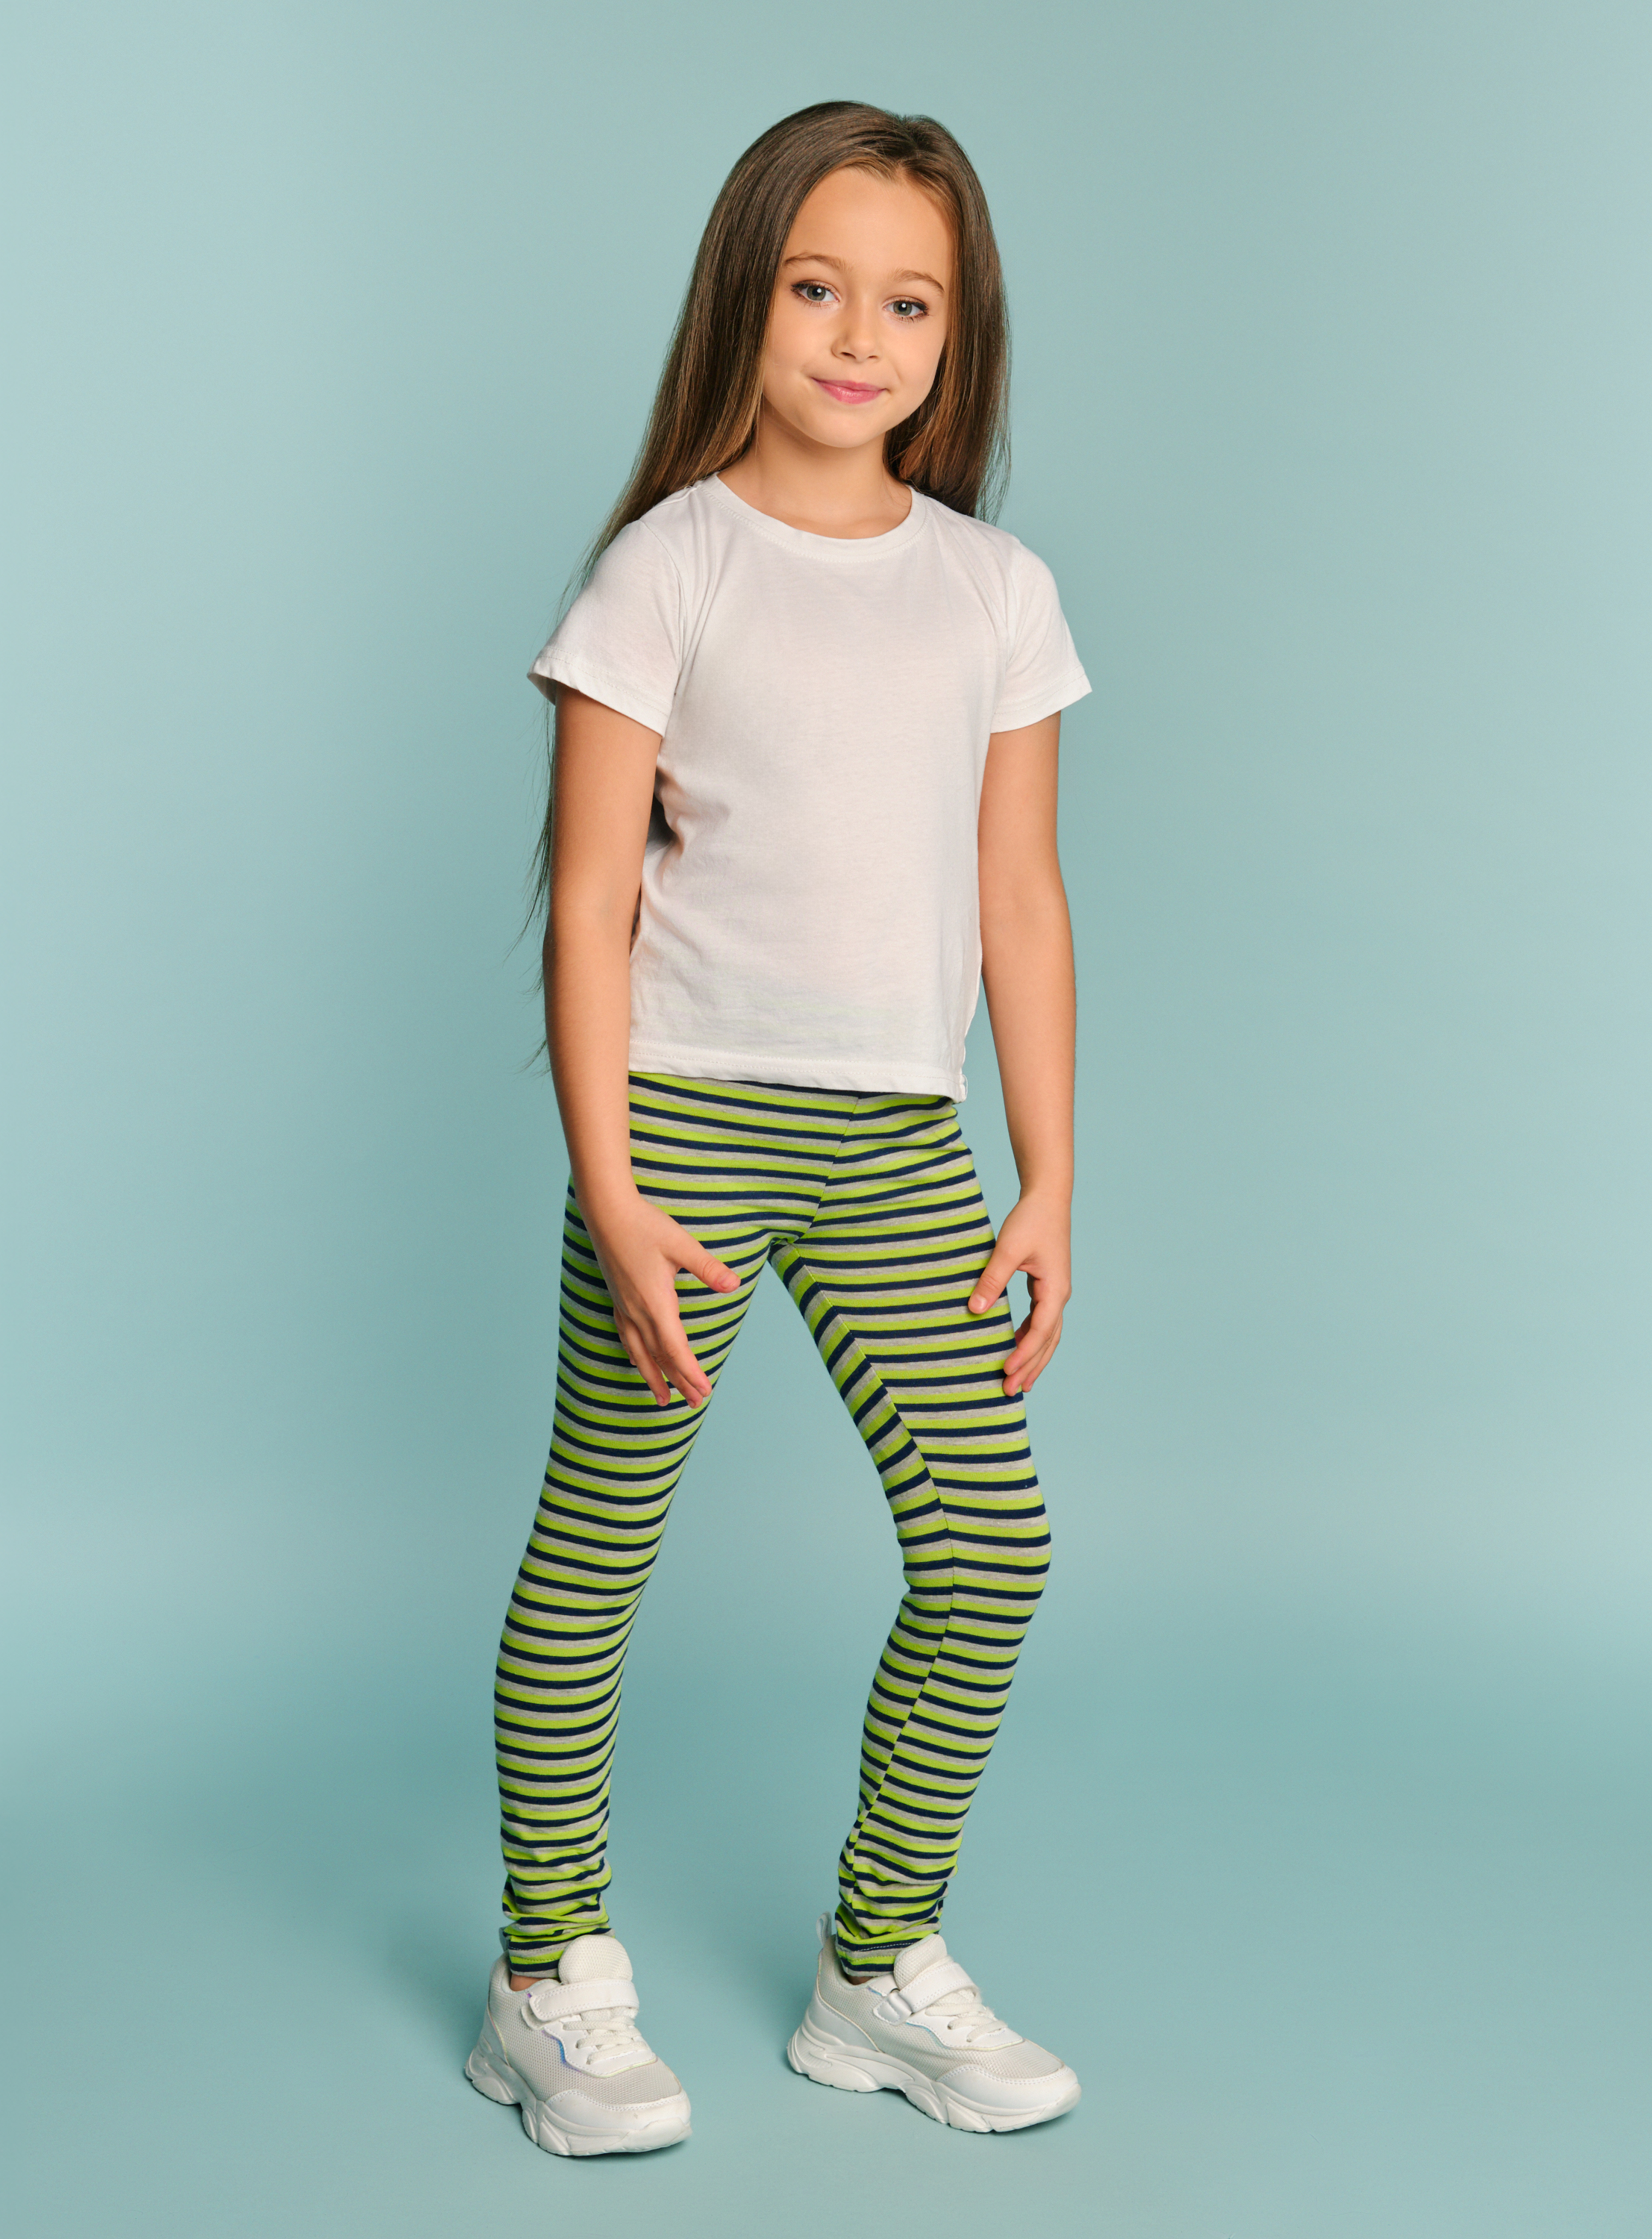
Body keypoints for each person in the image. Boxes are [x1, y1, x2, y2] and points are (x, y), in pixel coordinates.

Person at [465, 99, 1089, 2158]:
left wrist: (1048, 1176)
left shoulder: (994, 590)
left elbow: (1019, 899)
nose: (857, 335)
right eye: (817, 287)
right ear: (745, 296)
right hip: (687, 1134)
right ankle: (547, 1975)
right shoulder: (670, 565)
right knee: (599, 1542)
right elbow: (588, 904)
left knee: (989, 1550)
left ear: (956, 336)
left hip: (898, 1147)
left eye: (908, 303)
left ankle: (874, 1967)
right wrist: (613, 1187)